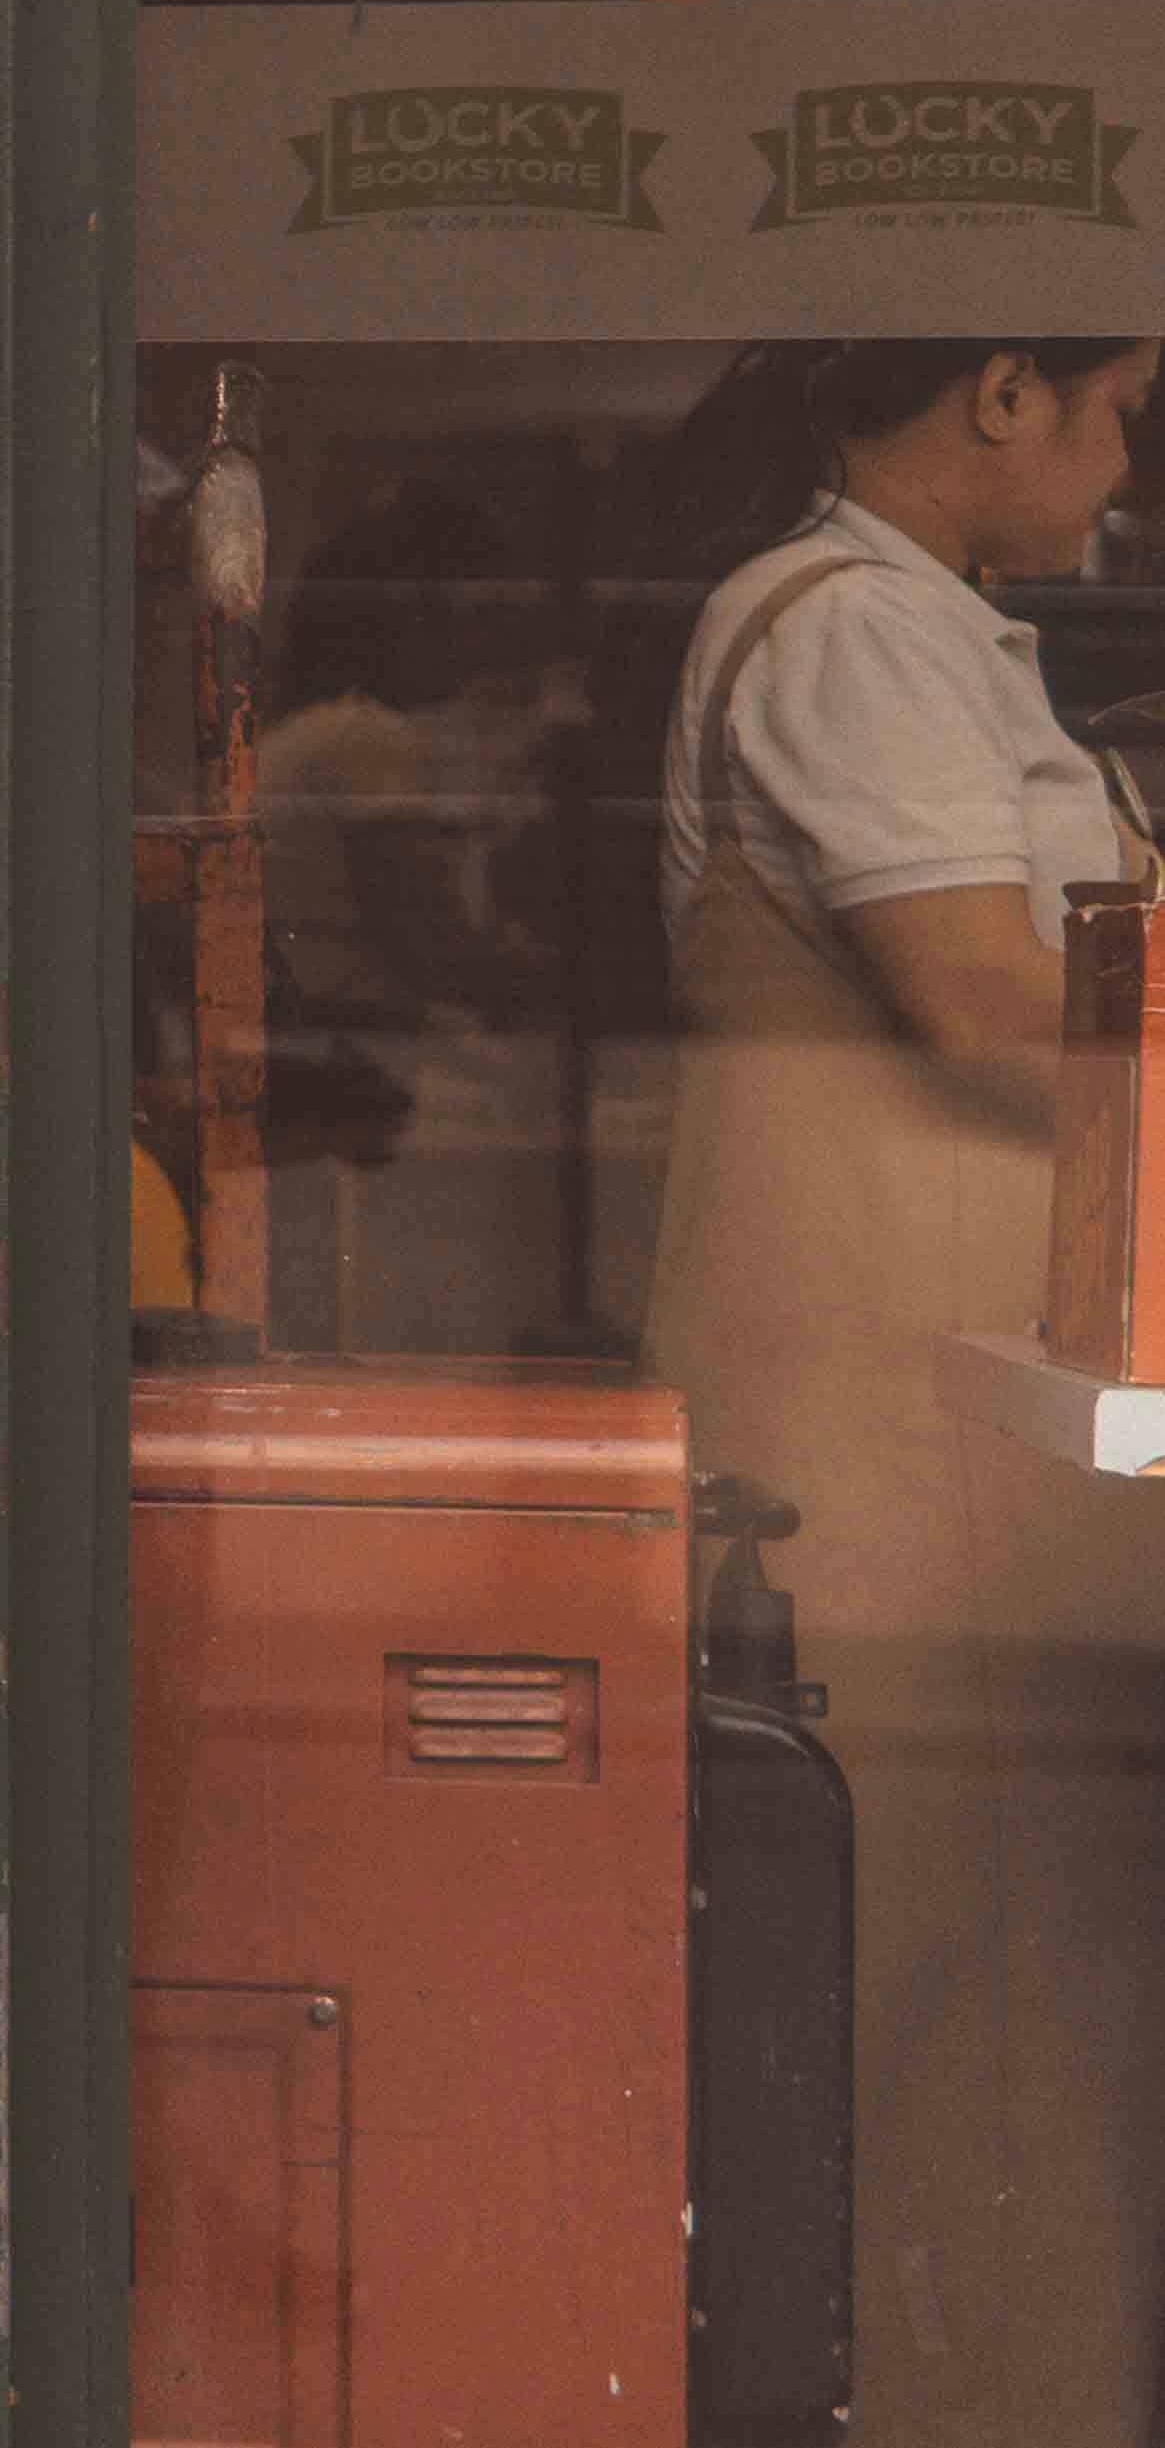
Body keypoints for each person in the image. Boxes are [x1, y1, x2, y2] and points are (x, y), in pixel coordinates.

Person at [641, 332, 1165, 2446]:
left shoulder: (923, 632)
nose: (1128, 460)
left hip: (958, 1426)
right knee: (920, 1984)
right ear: (1000, 389)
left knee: (993, 1994)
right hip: (877, 1430)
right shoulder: (851, 627)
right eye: (1117, 407)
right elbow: (972, 991)